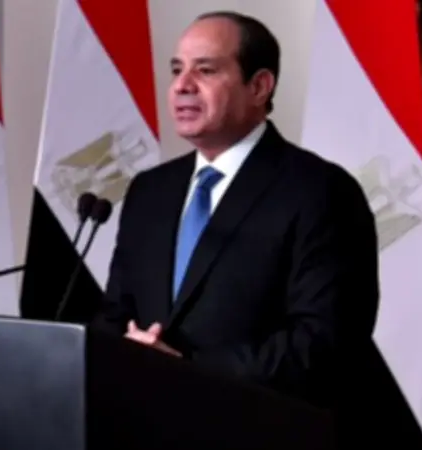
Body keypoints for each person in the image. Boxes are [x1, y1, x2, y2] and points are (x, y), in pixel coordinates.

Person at [93, 11, 379, 409]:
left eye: (205, 70)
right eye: (177, 70)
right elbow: (116, 315)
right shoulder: (150, 191)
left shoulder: (321, 191)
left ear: (259, 86)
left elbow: (324, 341)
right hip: (142, 423)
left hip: (260, 424)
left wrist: (186, 370)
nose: (182, 86)